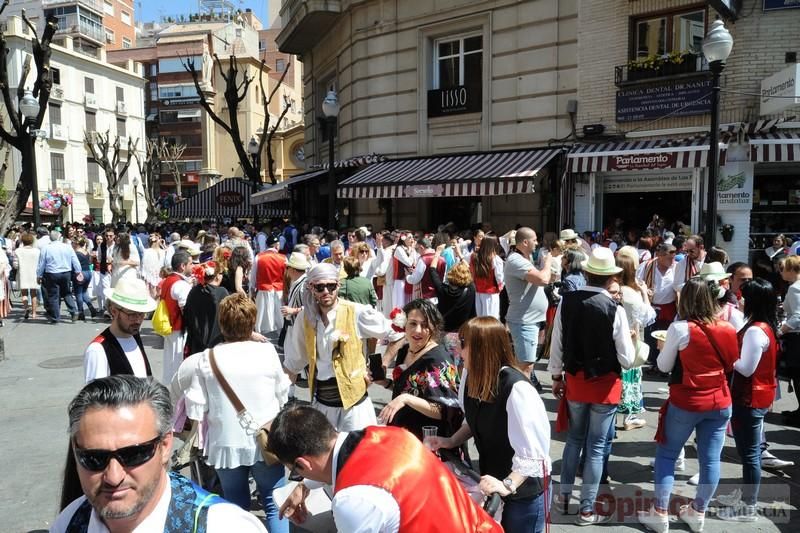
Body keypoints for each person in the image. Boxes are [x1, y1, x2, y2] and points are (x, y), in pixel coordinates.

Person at [51, 376, 267, 532]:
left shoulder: (224, 526)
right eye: (94, 459)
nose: (114, 477)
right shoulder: (69, 521)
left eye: (134, 454)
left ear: (165, 446)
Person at [268, 405, 502, 532]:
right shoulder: (391, 434)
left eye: (297, 471)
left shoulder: (352, 500)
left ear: (303, 463)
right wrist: (304, 484)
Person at [172, 294, 290, 533]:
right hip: (266, 440)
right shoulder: (267, 352)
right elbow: (282, 396)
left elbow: (197, 408)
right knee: (274, 502)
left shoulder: (207, 358)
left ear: (222, 323)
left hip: (225, 444)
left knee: (235, 506)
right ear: (252, 322)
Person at [637, 278, 738, 533]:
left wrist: (662, 348)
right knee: (711, 459)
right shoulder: (726, 327)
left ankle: (660, 512)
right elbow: (731, 363)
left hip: (687, 400)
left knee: (668, 455)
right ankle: (698, 511)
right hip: (719, 399)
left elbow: (663, 366)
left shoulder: (680, 328)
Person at [432, 316, 551, 532]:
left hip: (523, 495)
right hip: (495, 485)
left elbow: (534, 454)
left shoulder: (517, 389)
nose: (457, 347)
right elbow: (474, 418)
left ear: (480, 349)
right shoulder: (470, 376)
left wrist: (508, 485)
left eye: (462, 342)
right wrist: (451, 440)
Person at [548, 246, 635, 525]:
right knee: (596, 446)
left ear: (586, 273)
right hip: (605, 384)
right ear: (610, 276)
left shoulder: (567, 301)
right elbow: (628, 359)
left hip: (575, 379)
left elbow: (557, 343)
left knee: (574, 439)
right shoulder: (615, 308)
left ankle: (562, 499)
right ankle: (586, 509)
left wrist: (556, 376)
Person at [283, 263, 402, 431]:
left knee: (357, 454)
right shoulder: (306, 318)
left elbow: (397, 334)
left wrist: (382, 364)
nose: (326, 291)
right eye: (320, 286)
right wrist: (279, 399)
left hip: (355, 408)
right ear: (312, 288)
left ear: (338, 285)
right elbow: (295, 360)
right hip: (322, 405)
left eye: (331, 286)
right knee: (326, 457)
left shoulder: (356, 312)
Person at [717, 278, 779, 522]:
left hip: (750, 398)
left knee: (751, 454)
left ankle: (748, 505)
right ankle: (744, 497)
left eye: (743, 296)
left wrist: (726, 356)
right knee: (747, 452)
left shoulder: (755, 330)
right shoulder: (761, 326)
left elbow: (745, 368)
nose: (738, 300)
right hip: (754, 397)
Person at [378, 299, 462, 441]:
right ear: (403, 324)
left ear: (433, 328)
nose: (418, 330)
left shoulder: (438, 360)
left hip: (429, 441)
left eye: (425, 325)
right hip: (404, 436)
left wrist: (406, 399)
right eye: (413, 323)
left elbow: (447, 410)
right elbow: (412, 388)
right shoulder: (405, 350)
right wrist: (386, 383)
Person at [503, 227, 551, 389]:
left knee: (526, 364)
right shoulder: (516, 260)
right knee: (525, 366)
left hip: (532, 319)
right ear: (525, 242)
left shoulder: (524, 258)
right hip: (524, 321)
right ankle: (521, 398)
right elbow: (543, 279)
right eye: (535, 239)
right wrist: (548, 262)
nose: (537, 243)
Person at [84, 278, 157, 382]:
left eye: (141, 314)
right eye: (131, 314)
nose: (138, 320)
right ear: (114, 311)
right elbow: (95, 395)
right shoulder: (98, 350)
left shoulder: (134, 334)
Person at [615, 248, 655, 430]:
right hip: (632, 339)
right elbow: (648, 316)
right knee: (631, 376)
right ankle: (629, 417)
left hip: (613, 340)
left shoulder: (612, 291)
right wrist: (645, 293)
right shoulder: (633, 294)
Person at [429, 244, 476, 366]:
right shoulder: (471, 289)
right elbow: (468, 269)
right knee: (461, 365)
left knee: (443, 365)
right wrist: (460, 255)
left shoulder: (442, 289)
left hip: (443, 333)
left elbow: (432, 270)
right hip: (462, 334)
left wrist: (437, 253)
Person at [638, 243, 678, 368]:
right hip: (652, 306)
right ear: (659, 256)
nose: (672, 261)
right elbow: (637, 281)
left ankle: (665, 364)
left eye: (673, 258)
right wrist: (643, 290)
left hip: (670, 307)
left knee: (667, 336)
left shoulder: (677, 267)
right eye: (669, 258)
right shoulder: (646, 266)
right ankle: (653, 362)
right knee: (651, 335)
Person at [160, 251, 194, 384]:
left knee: (170, 361)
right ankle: (176, 391)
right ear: (182, 266)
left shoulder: (169, 279)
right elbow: (186, 309)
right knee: (178, 362)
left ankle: (169, 388)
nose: (193, 266)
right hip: (179, 328)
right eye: (190, 264)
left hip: (170, 326)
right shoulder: (180, 284)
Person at [183, 261, 230, 356]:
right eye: (221, 273)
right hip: (217, 342)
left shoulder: (194, 291)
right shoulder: (222, 292)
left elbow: (187, 314)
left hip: (196, 342)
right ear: (217, 276)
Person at [37, 230, 83, 323]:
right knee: (67, 292)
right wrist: (78, 271)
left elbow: (42, 263)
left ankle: (55, 317)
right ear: (59, 237)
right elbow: (74, 260)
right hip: (66, 272)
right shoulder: (67, 247)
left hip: (52, 273)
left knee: (53, 295)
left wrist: (39, 275)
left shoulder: (46, 248)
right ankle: (73, 311)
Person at [251, 235, 286, 336]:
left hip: (263, 289)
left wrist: (252, 288)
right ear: (277, 245)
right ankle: (280, 336)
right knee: (279, 317)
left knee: (262, 317)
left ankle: (261, 335)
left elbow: (253, 275)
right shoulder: (283, 258)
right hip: (280, 290)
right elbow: (287, 276)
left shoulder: (259, 257)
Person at [780, 255, 800, 422]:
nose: (781, 272)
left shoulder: (795, 288)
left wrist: (781, 331)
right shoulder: (794, 287)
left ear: (792, 270)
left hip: (797, 337)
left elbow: (798, 316)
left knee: (798, 375)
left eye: (783, 269)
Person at [470, 235, 504, 319]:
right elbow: (499, 277)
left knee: (480, 318)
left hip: (478, 291)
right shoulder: (495, 259)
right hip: (491, 293)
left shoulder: (474, 257)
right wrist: (501, 285)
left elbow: (472, 273)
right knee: (491, 318)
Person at [13, 231, 40, 320]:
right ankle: (34, 313)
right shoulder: (37, 251)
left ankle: (26, 309)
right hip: (34, 274)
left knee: (24, 293)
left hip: (22, 273)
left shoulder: (18, 251)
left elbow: (15, 265)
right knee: (33, 294)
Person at [72, 237, 97, 321]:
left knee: (78, 293)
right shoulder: (86, 252)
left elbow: (74, 265)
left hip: (80, 274)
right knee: (84, 292)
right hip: (88, 273)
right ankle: (91, 308)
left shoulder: (76, 253)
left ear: (77, 244)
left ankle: (81, 312)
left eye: (73, 243)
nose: (72, 245)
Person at [391, 233, 418, 309]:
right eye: (409, 237)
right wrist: (412, 250)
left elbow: (415, 262)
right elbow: (409, 263)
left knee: (410, 303)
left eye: (412, 237)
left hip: (410, 279)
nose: (412, 240)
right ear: (403, 239)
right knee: (400, 304)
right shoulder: (399, 249)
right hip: (401, 281)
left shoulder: (412, 249)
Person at [141, 233, 165, 299]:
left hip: (153, 278)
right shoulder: (163, 251)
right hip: (157, 278)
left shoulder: (147, 251)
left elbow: (144, 266)